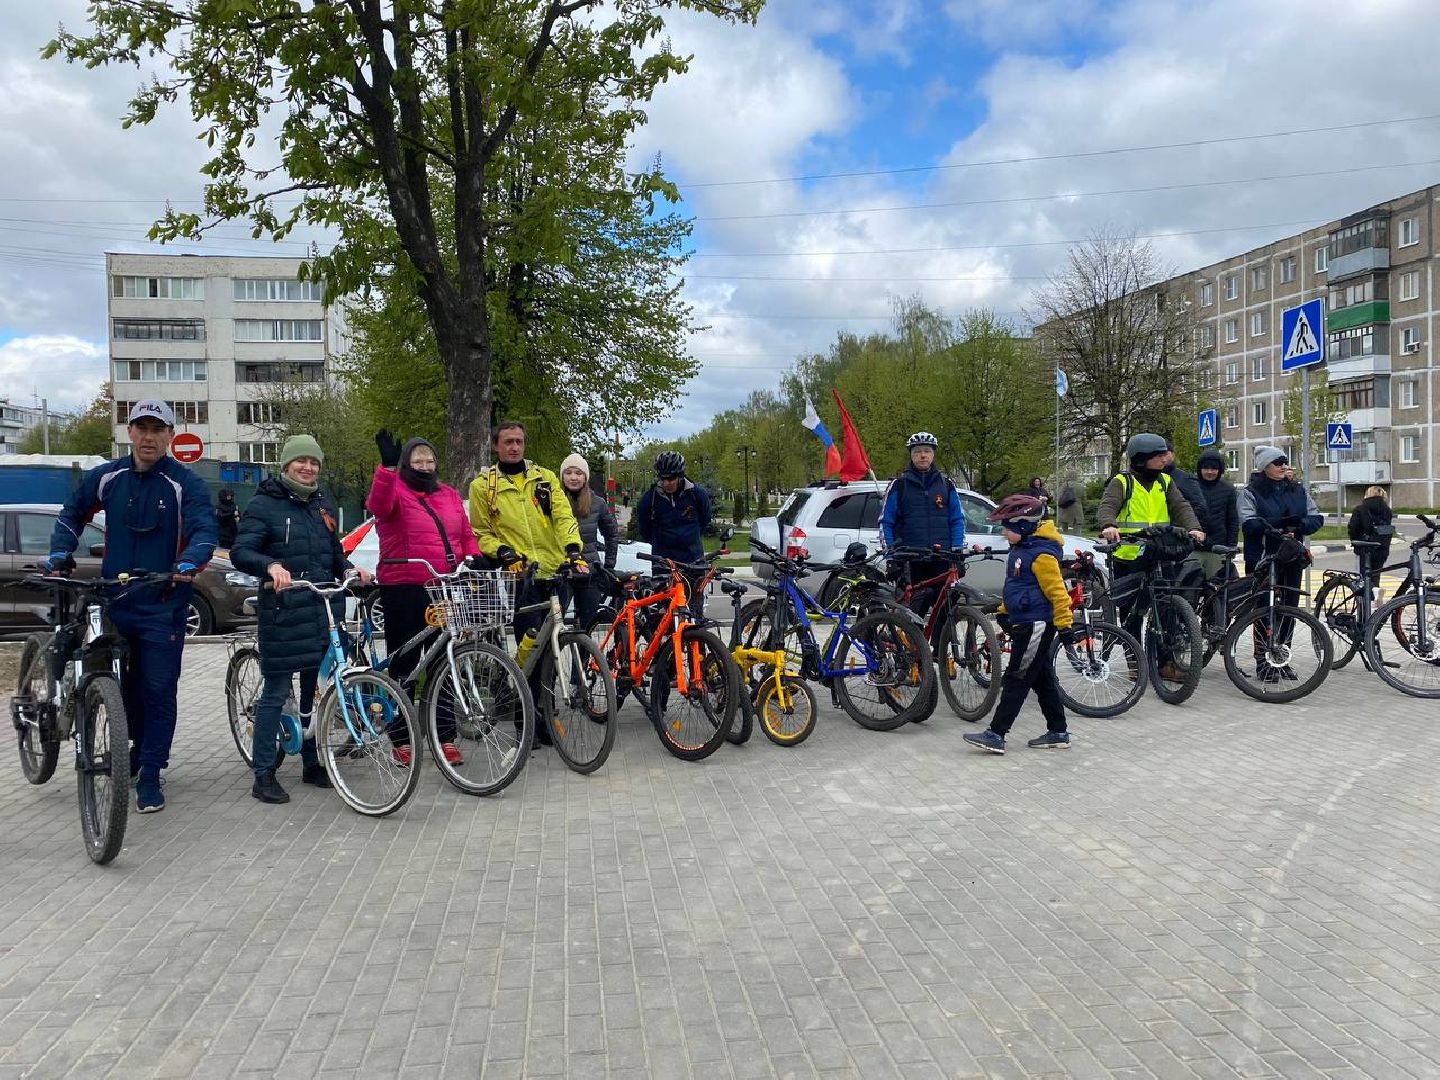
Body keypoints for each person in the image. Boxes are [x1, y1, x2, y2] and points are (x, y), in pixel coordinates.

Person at [44, 400, 216, 814]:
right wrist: (60, 552)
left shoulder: (184, 483)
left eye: (158, 429)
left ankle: (152, 771)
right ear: (130, 432)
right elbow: (72, 513)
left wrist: (190, 562)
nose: (149, 436)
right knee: (122, 690)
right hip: (114, 603)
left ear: (170, 435)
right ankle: (131, 752)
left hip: (163, 604)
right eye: (142, 428)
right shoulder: (107, 478)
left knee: (158, 690)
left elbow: (203, 528)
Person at [230, 435, 369, 803]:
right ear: (286, 464)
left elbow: (333, 553)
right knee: (276, 692)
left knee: (316, 691)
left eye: (314, 462)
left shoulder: (320, 505)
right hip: (284, 611)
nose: (307, 468)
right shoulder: (265, 503)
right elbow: (242, 551)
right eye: (300, 461)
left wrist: (353, 570)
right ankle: (263, 774)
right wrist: (270, 565)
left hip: (322, 610)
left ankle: (311, 762)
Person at [468, 421, 584, 747]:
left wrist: (573, 549)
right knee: (529, 650)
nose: (514, 447)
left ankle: (547, 718)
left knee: (550, 651)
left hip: (554, 572)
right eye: (508, 442)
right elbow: (480, 532)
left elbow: (563, 517)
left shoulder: (544, 478)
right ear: (496, 445)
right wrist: (500, 550)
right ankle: (525, 722)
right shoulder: (483, 486)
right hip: (520, 577)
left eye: (519, 441)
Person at [368, 430, 479, 766]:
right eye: (418, 460)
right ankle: (401, 738)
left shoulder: (447, 494)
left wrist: (475, 557)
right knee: (404, 662)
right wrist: (386, 469)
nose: (425, 465)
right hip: (403, 586)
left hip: (442, 588)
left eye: (430, 460)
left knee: (443, 661)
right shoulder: (394, 490)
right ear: (406, 463)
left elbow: (464, 532)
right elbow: (378, 505)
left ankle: (443, 736)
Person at [962, 494, 1073, 754]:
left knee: (1017, 678)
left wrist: (1065, 626)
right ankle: (1058, 731)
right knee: (1041, 678)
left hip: (1037, 624)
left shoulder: (1041, 555)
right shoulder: (1022, 550)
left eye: (1007, 527)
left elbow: (1058, 592)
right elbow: (1019, 587)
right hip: (1026, 621)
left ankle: (996, 734)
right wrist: (1002, 609)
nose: (1003, 532)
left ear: (1024, 526)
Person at [1237, 446, 1323, 681]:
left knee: (1289, 610)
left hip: (1292, 557)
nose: (1284, 467)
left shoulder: (1297, 491)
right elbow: (1248, 523)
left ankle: (1281, 658)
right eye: (1278, 463)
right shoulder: (1251, 493)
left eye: (1286, 462)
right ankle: (1263, 661)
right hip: (1263, 559)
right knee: (1264, 611)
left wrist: (1298, 526)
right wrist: (1276, 526)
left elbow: (1316, 517)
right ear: (1265, 467)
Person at [880, 432, 965, 617]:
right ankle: (912, 644)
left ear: (933, 454)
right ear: (911, 455)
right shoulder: (899, 485)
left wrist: (957, 550)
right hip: (911, 559)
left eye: (927, 451)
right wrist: (891, 557)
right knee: (913, 613)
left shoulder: (946, 485)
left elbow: (957, 520)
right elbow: (885, 522)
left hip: (941, 557)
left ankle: (939, 644)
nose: (923, 455)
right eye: (918, 451)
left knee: (947, 609)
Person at [635, 451, 713, 617]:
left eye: (670, 479)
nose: (666, 483)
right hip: (664, 562)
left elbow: (705, 519)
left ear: (680, 476)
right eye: (662, 479)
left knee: (694, 612)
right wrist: (661, 542)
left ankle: (696, 640)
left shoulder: (696, 494)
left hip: (693, 560)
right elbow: (644, 528)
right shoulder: (650, 498)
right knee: (666, 613)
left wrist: (690, 538)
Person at [559, 452, 618, 628]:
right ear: (562, 476)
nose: (573, 477)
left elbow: (612, 534)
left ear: (585, 476)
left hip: (589, 572)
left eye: (578, 473)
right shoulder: (554, 502)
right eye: (568, 472)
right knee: (554, 623)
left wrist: (608, 566)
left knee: (588, 625)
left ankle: (586, 656)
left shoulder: (598, 503)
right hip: (562, 572)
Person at [1191, 449, 1239, 581]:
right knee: (1190, 588)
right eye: (1206, 468)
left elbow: (1232, 520)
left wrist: (1231, 546)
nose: (1210, 472)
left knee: (1216, 589)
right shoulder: (1191, 486)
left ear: (1220, 470)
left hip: (1218, 548)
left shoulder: (1228, 489)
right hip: (1193, 547)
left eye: (1214, 468)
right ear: (1200, 468)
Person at [1348, 485, 1394, 599]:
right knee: (1375, 575)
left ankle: (1367, 601)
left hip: (1365, 547)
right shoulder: (1387, 510)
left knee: (1364, 577)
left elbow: (1353, 528)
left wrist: (1355, 541)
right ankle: (1375, 598)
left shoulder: (1360, 509)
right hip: (1382, 548)